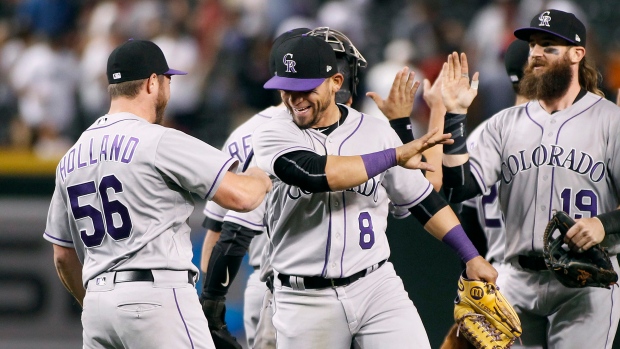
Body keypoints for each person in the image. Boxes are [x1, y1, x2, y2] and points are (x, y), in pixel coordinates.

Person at [252, 33, 497, 349]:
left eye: (306, 89)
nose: (295, 98)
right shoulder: (273, 133)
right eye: (287, 89)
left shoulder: (375, 131)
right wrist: (395, 155)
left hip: (375, 285)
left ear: (335, 81)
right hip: (304, 298)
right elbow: (315, 173)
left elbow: (423, 200)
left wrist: (471, 256)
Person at [43, 39, 272, 349]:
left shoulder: (71, 156)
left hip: (97, 306)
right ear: (152, 82)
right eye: (167, 79)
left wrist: (98, 302)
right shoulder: (157, 140)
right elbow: (242, 197)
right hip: (155, 299)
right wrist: (263, 169)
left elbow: (62, 256)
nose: (168, 88)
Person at [440, 9, 620, 348]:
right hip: (517, 278)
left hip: (586, 281)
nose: (535, 53)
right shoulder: (503, 124)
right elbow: (459, 186)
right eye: (534, 44)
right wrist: (454, 116)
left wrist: (604, 224)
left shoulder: (610, 122)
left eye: (549, 46)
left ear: (576, 55)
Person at [438, 38, 531, 349]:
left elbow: (467, 217)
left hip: (495, 281)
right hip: (553, 283)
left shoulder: (483, 135)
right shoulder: (572, 134)